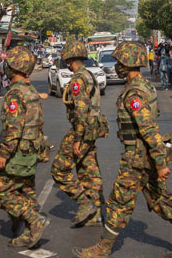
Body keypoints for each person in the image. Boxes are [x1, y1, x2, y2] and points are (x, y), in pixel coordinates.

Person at [73, 41, 172, 258]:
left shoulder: (134, 93)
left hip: (138, 156)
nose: (117, 66)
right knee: (160, 198)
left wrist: (160, 164)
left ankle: (103, 248)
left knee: (119, 201)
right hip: (145, 155)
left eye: (120, 61)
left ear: (129, 62)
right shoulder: (145, 86)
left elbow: (148, 129)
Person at [0, 46, 50, 248]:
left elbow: (14, 127)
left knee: (2, 191)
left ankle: (35, 221)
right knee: (27, 190)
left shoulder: (15, 94)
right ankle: (30, 230)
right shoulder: (31, 91)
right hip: (31, 148)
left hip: (18, 152)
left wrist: (4, 153)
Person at [51, 40, 106, 228]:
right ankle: (95, 213)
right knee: (88, 171)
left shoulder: (78, 79)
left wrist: (77, 139)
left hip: (81, 130)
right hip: (92, 129)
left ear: (69, 58)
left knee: (59, 169)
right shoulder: (89, 75)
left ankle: (85, 203)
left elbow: (81, 111)